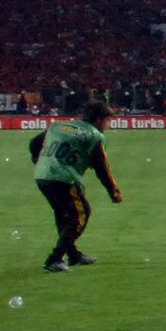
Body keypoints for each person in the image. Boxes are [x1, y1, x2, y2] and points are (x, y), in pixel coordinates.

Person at [28, 100, 122, 272]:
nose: (108, 125)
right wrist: (113, 191)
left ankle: (73, 255)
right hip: (64, 178)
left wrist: (38, 160)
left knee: (62, 214)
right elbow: (103, 169)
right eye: (108, 121)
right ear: (99, 119)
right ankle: (54, 258)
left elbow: (34, 144)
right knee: (81, 214)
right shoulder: (94, 136)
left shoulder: (58, 126)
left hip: (42, 176)